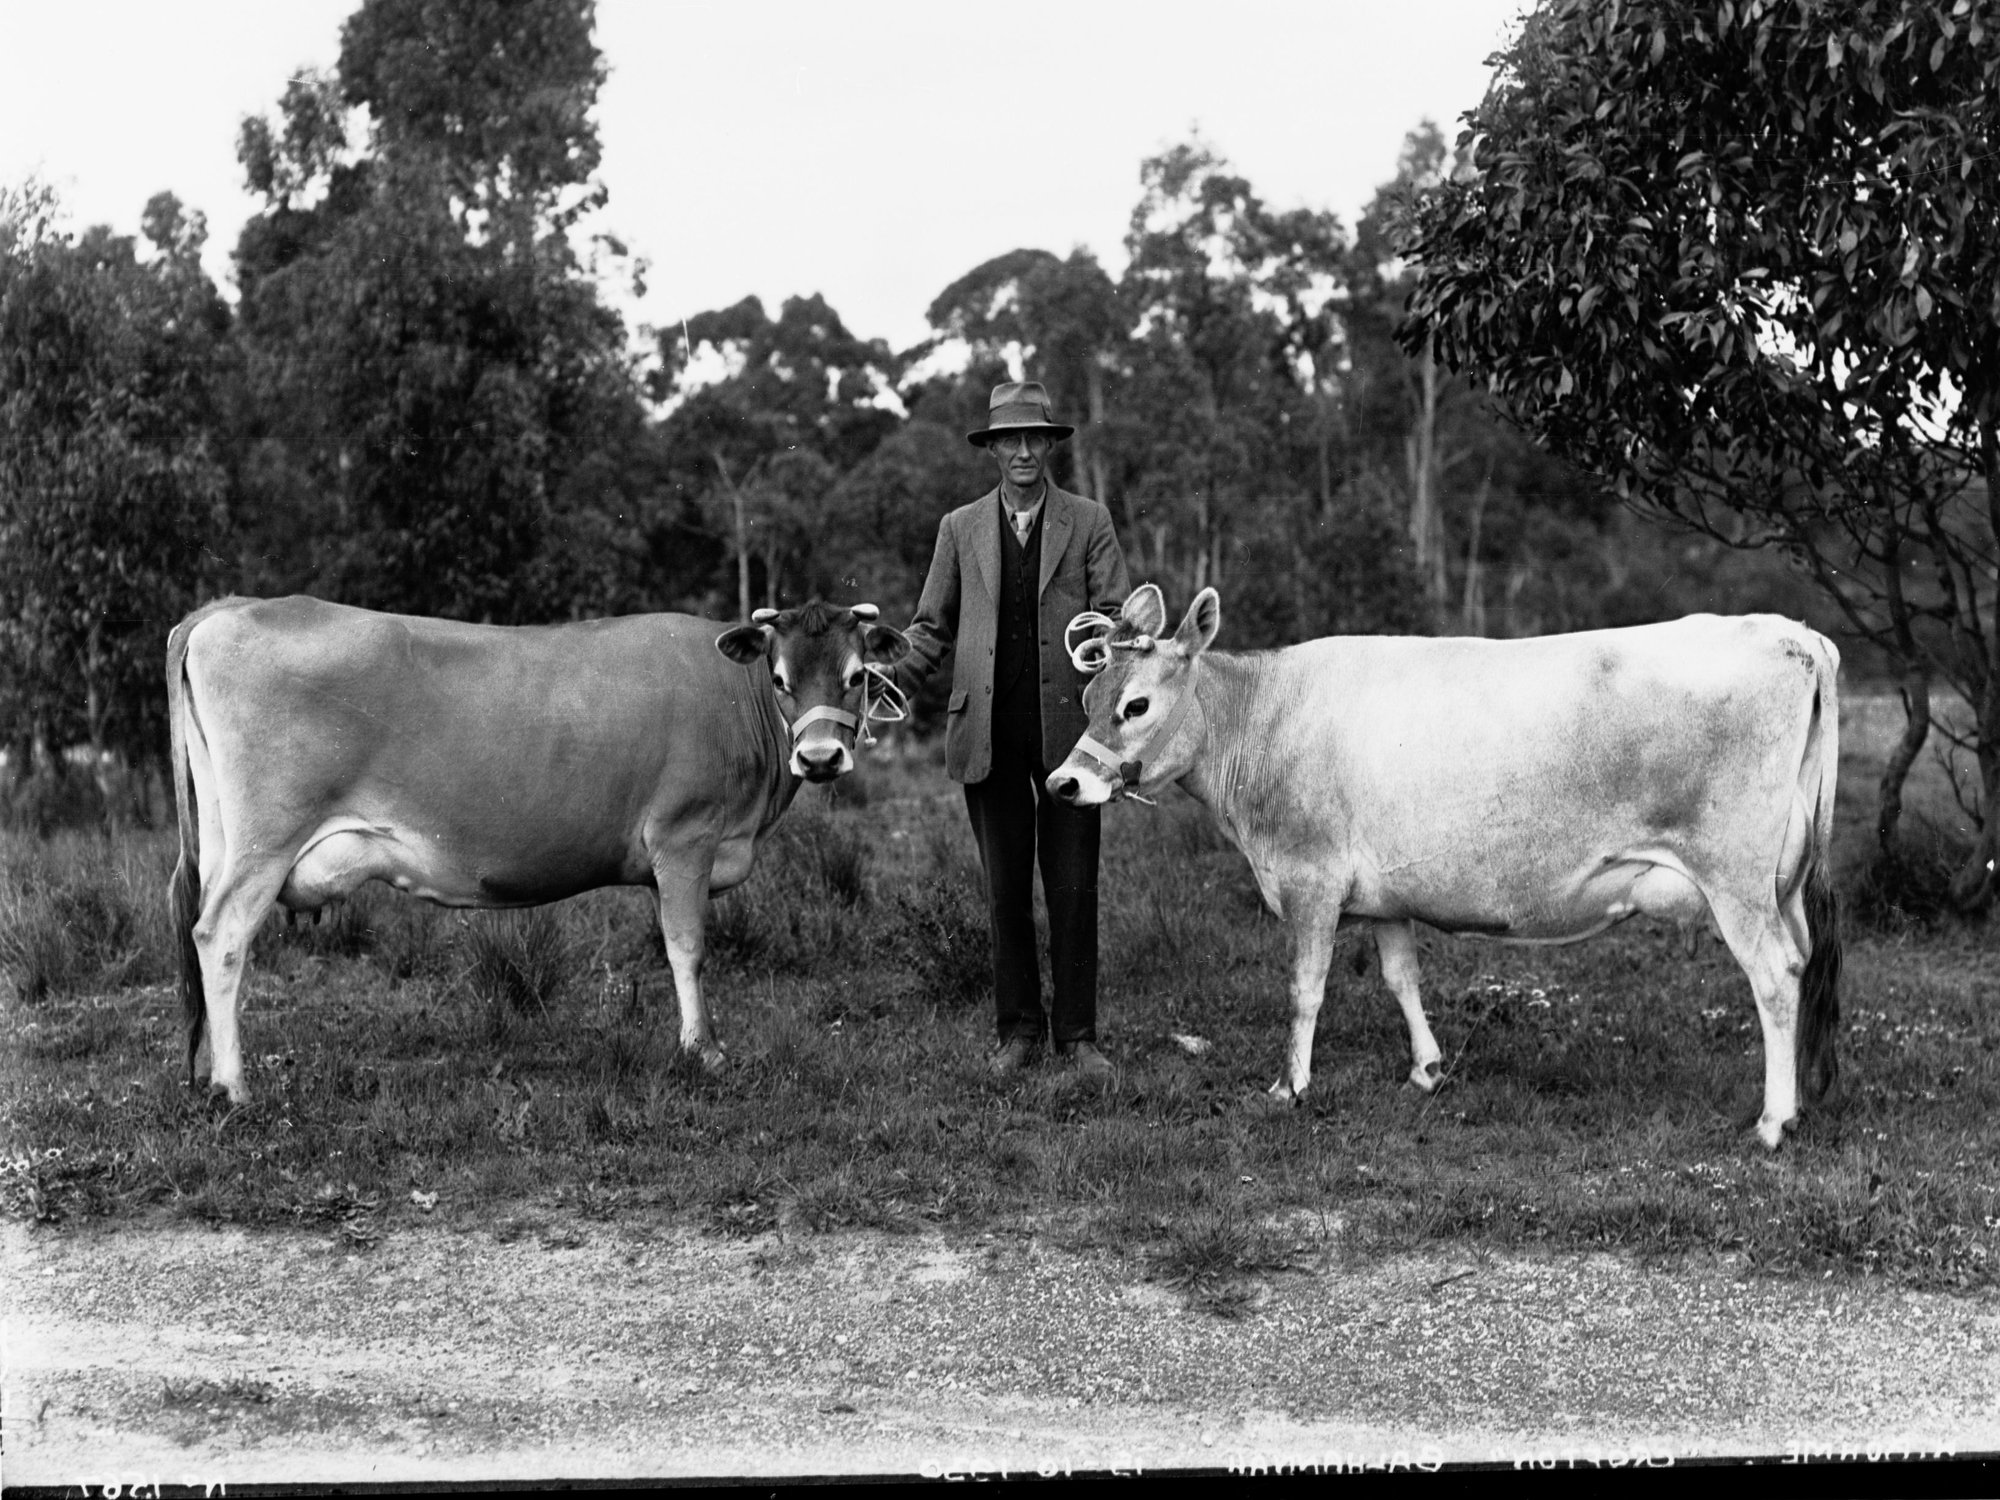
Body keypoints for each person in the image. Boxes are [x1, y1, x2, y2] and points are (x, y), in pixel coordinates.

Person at [897, 380, 1133, 1078]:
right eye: (1010, 440)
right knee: (1004, 888)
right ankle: (1017, 1033)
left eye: (1035, 438)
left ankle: (1079, 1038)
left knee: (1072, 883)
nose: (1024, 451)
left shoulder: (1089, 521)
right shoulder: (959, 528)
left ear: (1051, 443)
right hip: (988, 733)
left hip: (1073, 738)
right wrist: (886, 683)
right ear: (993, 449)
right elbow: (929, 628)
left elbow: (1116, 616)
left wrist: (1115, 653)